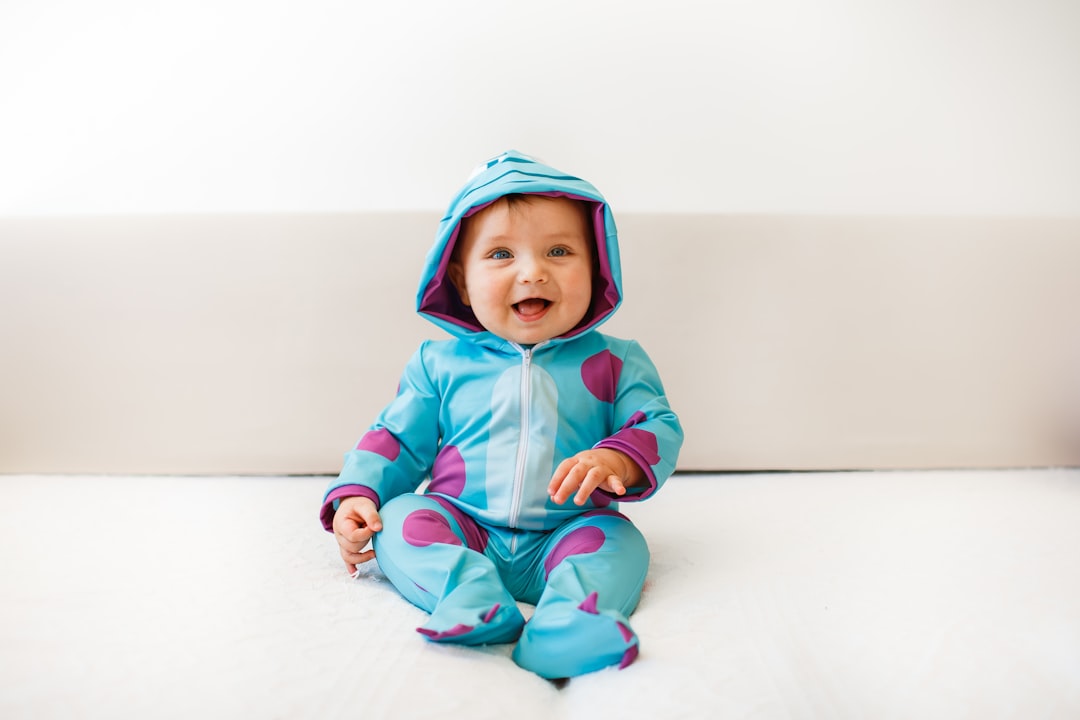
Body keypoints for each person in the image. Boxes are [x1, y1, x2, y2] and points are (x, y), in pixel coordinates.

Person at [320, 151, 683, 679]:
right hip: (464, 523)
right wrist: (359, 495)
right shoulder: (439, 363)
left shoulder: (616, 360)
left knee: (620, 542)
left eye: (559, 251)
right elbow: (395, 438)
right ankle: (471, 597)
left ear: (597, 267)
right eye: (500, 255)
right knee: (400, 520)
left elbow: (656, 426)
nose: (532, 271)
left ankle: (569, 621)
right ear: (462, 282)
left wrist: (616, 459)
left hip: (570, 528)